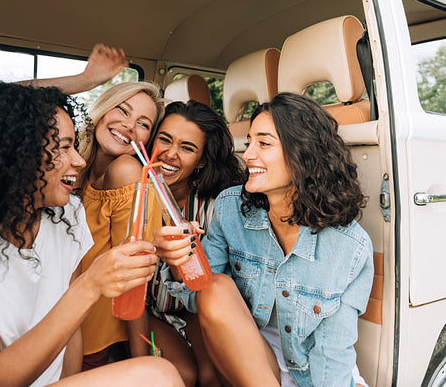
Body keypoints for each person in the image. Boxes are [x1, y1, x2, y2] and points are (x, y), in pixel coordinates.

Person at [0, 82, 184, 387]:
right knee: (158, 375)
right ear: (16, 153)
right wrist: (90, 285)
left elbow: (72, 335)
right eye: (62, 147)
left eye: (143, 123)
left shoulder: (68, 216)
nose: (78, 160)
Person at [154, 92, 374, 386]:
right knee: (215, 288)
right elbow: (199, 298)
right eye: (250, 141)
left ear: (303, 154)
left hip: (311, 373)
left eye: (264, 143)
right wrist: (182, 258)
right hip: (247, 361)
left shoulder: (349, 246)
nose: (247, 154)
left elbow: (332, 352)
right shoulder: (230, 207)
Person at [22, 45, 167, 367]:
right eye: (123, 110)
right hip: (43, 322)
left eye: (143, 123)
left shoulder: (126, 171)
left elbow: (134, 277)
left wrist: (140, 362)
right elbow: (4, 104)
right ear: (102, 109)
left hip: (87, 336)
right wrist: (86, 79)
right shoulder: (69, 165)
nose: (129, 125)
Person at [143, 100, 246, 386]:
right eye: (164, 139)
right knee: (184, 375)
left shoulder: (213, 207)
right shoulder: (135, 193)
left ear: (201, 160)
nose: (170, 154)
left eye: (187, 148)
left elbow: (204, 291)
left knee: (213, 375)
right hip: (145, 309)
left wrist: (186, 254)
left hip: (190, 307)